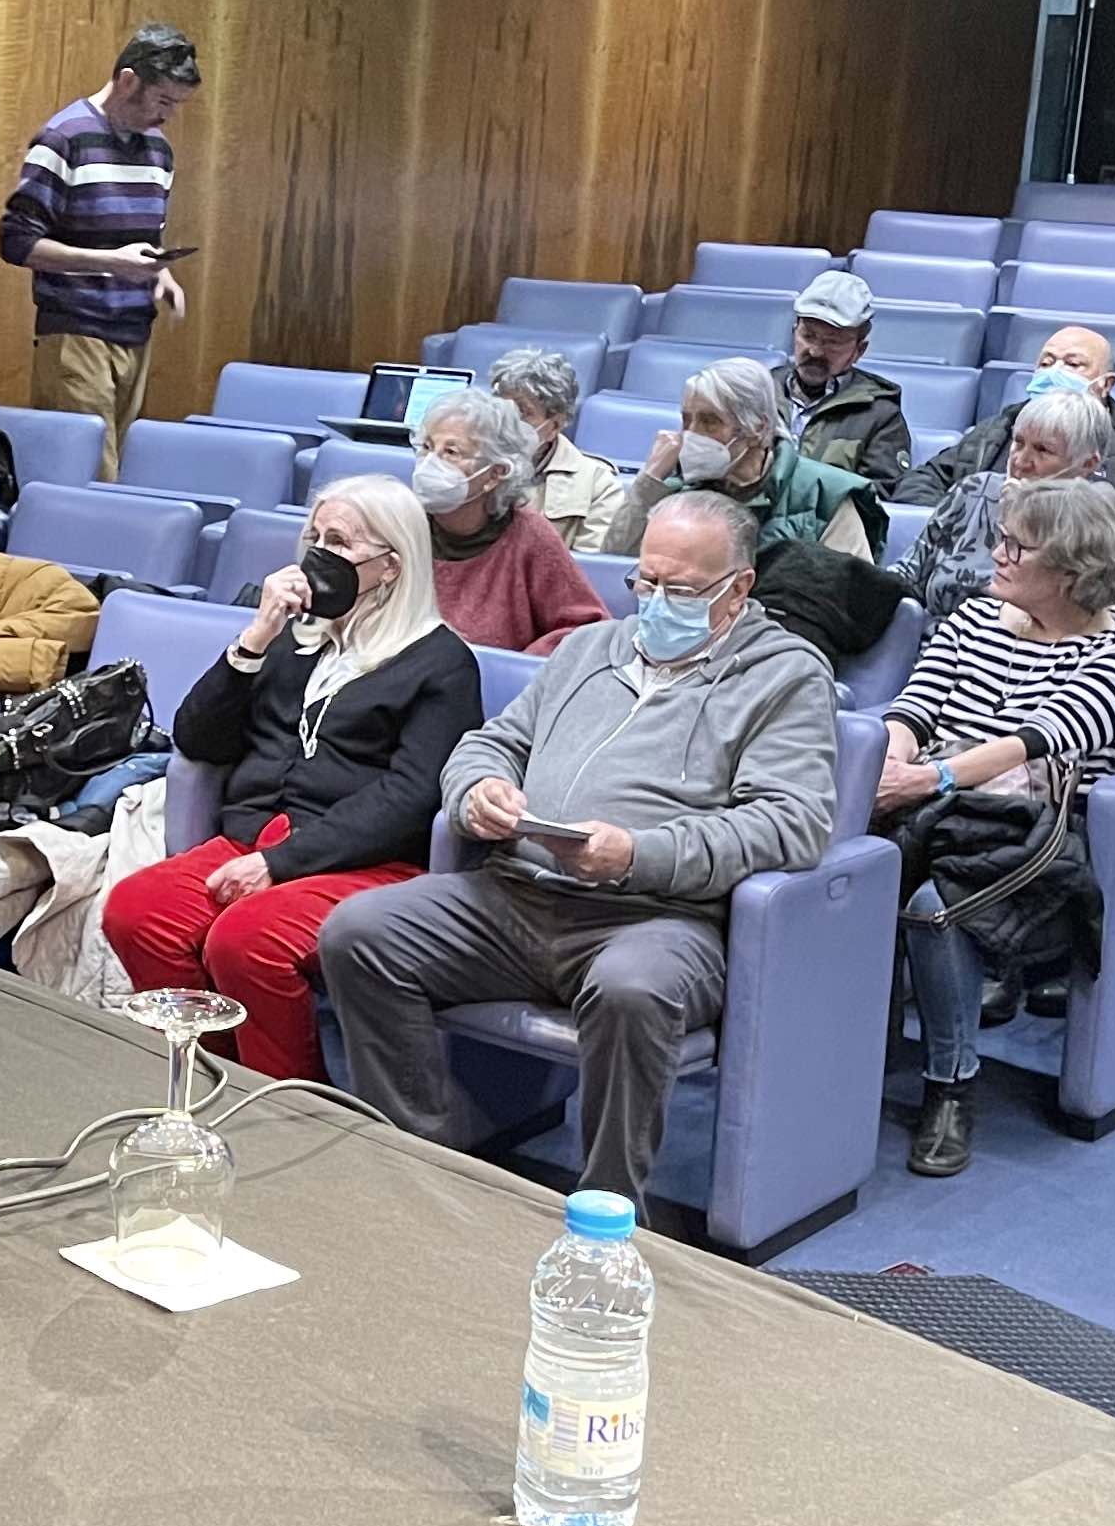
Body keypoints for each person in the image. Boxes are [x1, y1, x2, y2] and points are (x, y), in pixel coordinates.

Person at [320, 493, 840, 1207]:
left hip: (658, 913)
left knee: (633, 989)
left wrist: (640, 854)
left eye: (681, 590)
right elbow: (490, 742)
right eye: (645, 583)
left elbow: (791, 822)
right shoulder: (591, 647)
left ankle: (606, 1209)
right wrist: (478, 791)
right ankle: (422, 1159)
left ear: (738, 589)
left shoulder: (784, 676)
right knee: (360, 933)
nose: (656, 602)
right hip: (516, 892)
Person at [101, 477, 480, 1080]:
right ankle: (212, 1080)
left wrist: (281, 864)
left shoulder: (440, 662)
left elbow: (412, 796)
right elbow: (199, 741)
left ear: (390, 567)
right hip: (254, 839)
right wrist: (254, 639)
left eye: (339, 542)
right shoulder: (293, 642)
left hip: (363, 862)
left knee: (246, 939)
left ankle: (291, 1100)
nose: (317, 556)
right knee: (138, 909)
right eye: (313, 537)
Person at [869, 478, 1115, 1178]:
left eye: (1017, 547)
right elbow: (914, 706)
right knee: (836, 872)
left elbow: (1037, 741)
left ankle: (951, 1086)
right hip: (935, 806)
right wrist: (891, 759)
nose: (996, 555)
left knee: (937, 907)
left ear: (1070, 570)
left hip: (1034, 835)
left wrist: (929, 778)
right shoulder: (971, 620)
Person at [0, 23, 200, 466]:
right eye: (163, 100)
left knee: (120, 469)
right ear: (128, 80)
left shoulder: (159, 150)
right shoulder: (63, 139)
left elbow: (142, 236)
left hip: (135, 330)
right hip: (75, 329)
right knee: (88, 473)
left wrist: (160, 271)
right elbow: (16, 243)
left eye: (177, 104)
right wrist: (110, 263)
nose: (169, 115)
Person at [892, 326, 1115, 543]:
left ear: (1106, 384)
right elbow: (919, 483)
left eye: (1073, 364)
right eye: (1046, 363)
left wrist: (1098, 529)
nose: (1055, 372)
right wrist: (971, 519)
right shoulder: (1003, 426)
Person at [897, 382, 1115, 626]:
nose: (1021, 460)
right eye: (1018, 442)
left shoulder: (1107, 519)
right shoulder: (974, 491)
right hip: (935, 644)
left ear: (1087, 464)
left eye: (1042, 450)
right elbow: (907, 576)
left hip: (1044, 655)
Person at [603, 354, 878, 562]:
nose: (693, 434)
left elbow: (851, 596)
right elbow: (613, 566)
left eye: (710, 422)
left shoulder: (824, 494)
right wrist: (649, 482)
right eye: (687, 421)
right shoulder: (676, 489)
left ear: (758, 427)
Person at [411, 391, 606, 653]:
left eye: (451, 452)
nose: (430, 463)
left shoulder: (529, 535)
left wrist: (513, 670)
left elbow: (586, 628)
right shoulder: (402, 523)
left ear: (495, 474)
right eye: (426, 447)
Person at [485, 344, 628, 555]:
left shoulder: (597, 483)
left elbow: (589, 570)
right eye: (501, 408)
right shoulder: (467, 462)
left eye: (524, 412)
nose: (508, 420)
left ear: (555, 425)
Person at [776, 266, 911, 483]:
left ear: (859, 350)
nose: (815, 351)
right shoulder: (759, 390)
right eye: (808, 336)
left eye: (832, 342)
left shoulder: (880, 414)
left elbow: (879, 498)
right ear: (794, 332)